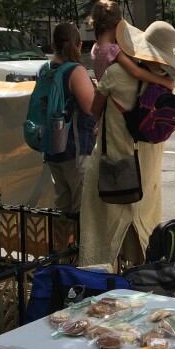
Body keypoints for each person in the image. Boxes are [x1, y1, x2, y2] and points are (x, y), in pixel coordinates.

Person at [77, 20, 175, 270]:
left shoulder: (115, 74)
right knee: (143, 222)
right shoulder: (166, 84)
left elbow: (95, 110)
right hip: (146, 169)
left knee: (101, 222)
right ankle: (140, 275)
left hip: (113, 162)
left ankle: (102, 276)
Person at [43, 23, 96, 215]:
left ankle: (61, 244)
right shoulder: (75, 71)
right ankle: (78, 246)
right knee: (81, 211)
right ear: (79, 45)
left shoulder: (46, 69)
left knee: (62, 207)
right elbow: (91, 108)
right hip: (76, 150)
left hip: (53, 147)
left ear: (52, 45)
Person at [88, 0, 175, 88]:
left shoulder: (95, 48)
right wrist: (163, 81)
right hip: (121, 96)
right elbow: (136, 71)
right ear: (119, 23)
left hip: (106, 95)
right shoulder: (114, 51)